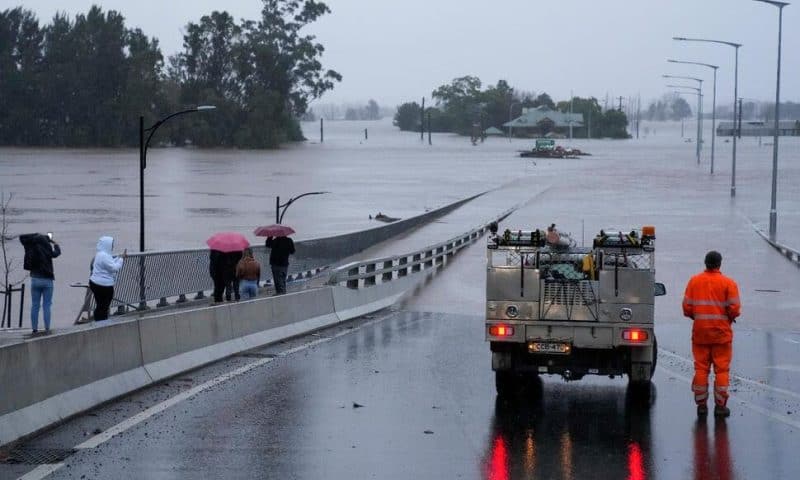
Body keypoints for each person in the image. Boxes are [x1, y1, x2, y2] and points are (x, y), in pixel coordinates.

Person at [682, 250, 740, 418]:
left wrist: (698, 317)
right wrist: (728, 317)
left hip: (700, 333)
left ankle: (701, 405)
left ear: (705, 263)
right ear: (719, 264)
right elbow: (735, 309)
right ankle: (720, 407)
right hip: (721, 334)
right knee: (721, 371)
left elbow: (687, 308)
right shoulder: (728, 283)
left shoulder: (694, 282)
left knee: (701, 369)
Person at [19, 232, 61, 334]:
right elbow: (56, 254)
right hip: (47, 280)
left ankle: (34, 329)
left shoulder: (31, 246)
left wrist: (35, 235)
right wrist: (55, 243)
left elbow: (22, 237)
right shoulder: (46, 247)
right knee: (47, 305)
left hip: (35, 279)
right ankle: (47, 328)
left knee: (35, 305)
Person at [89, 236, 126, 322]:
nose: (112, 247)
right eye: (111, 245)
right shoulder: (104, 256)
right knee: (103, 306)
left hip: (95, 283)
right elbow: (114, 268)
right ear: (107, 245)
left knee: (100, 305)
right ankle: (101, 322)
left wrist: (118, 257)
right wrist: (121, 259)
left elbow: (109, 264)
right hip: (104, 285)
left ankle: (100, 321)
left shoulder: (100, 254)